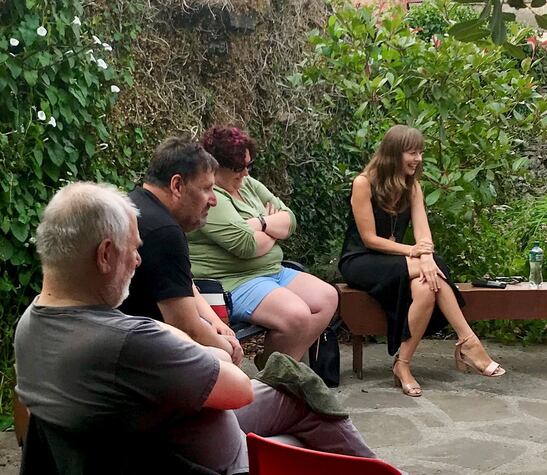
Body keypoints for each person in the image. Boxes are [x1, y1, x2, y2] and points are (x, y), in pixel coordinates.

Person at [15, 182, 374, 474]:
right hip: (201, 463)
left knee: (297, 392)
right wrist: (189, 341)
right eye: (133, 250)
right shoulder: (130, 342)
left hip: (148, 441)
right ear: (105, 254)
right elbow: (238, 388)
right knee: (301, 431)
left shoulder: (31, 324)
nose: (138, 260)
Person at [339, 125, 505, 398]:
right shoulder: (364, 183)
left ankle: (402, 364)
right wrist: (416, 253)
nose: (417, 159)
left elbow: (423, 233)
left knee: (429, 286)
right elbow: (370, 239)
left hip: (401, 261)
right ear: (394, 153)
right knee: (434, 271)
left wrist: (425, 255)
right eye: (411, 152)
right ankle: (468, 341)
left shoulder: (411, 186)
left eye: (420, 152)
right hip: (362, 260)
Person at [187, 126, 336, 361]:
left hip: (271, 271)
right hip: (234, 281)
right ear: (215, 167)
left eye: (249, 165)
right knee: (296, 315)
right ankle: (277, 379)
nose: (245, 173)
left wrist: (260, 224)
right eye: (238, 168)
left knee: (327, 297)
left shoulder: (246, 184)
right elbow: (245, 245)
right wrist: (274, 227)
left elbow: (290, 219)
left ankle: (276, 368)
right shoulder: (211, 195)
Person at [119, 136, 244, 366]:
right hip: (134, 358)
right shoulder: (164, 232)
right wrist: (231, 348)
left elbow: (180, 284)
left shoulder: (136, 205)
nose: (213, 200)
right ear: (177, 185)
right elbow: (187, 328)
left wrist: (214, 321)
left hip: (116, 341)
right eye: (207, 189)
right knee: (223, 360)